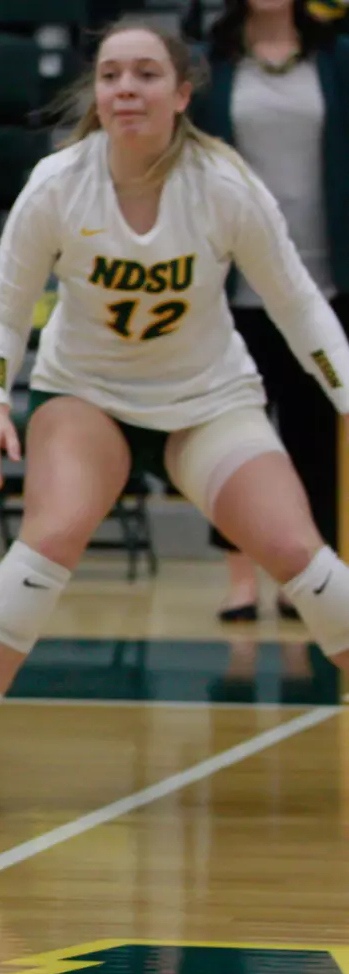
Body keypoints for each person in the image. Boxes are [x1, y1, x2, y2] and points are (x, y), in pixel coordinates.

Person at [0, 21, 349, 819]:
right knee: (52, 535)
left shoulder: (225, 184)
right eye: (112, 74)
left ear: (181, 94)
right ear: (97, 91)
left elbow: (298, 305)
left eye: (146, 74)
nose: (125, 89)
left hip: (208, 399)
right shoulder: (58, 182)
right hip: (88, 394)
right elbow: (2, 312)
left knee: (300, 554)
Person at [190, 0, 348, 621]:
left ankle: (302, 573)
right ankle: (240, 578)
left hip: (324, 274)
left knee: (315, 431)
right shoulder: (213, 64)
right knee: (235, 431)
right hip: (235, 278)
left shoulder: (335, 59)